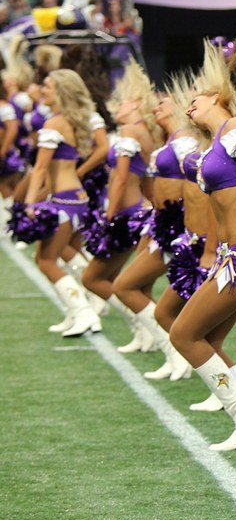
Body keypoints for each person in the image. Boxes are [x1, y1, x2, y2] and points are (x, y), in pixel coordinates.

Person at [169, 41, 236, 447]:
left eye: (195, 98)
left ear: (217, 96)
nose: (188, 105)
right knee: (203, 338)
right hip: (231, 256)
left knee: (184, 333)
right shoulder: (218, 140)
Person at [111, 77, 202, 381]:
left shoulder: (185, 142)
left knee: (125, 285)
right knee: (137, 287)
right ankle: (168, 350)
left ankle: (173, 350)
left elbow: (195, 190)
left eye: (163, 103)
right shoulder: (171, 139)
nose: (157, 107)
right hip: (161, 225)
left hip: (177, 231)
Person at [81, 59, 161, 342]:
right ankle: (144, 333)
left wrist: (109, 215)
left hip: (126, 215)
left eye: (124, 103)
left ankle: (148, 331)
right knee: (134, 285)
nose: (119, 107)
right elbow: (148, 178)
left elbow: (121, 178)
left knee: (92, 278)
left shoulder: (129, 132)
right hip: (139, 212)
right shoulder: (147, 133)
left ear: (137, 105)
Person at [24, 69, 102, 337]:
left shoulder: (54, 125)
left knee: (46, 260)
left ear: (61, 91)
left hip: (64, 201)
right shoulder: (71, 120)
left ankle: (85, 312)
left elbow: (40, 169)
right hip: (76, 198)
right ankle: (75, 312)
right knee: (56, 257)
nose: (42, 90)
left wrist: (30, 203)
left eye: (47, 86)